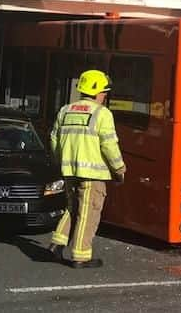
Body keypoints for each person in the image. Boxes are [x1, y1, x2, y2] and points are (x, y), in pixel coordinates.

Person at [47, 69, 126, 268]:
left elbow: (54, 140)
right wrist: (119, 168)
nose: (105, 95)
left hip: (69, 171)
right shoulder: (102, 114)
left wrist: (60, 162)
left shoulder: (65, 110)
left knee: (72, 208)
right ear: (96, 91)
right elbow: (109, 144)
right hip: (93, 175)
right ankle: (80, 256)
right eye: (104, 92)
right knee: (88, 212)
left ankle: (57, 244)